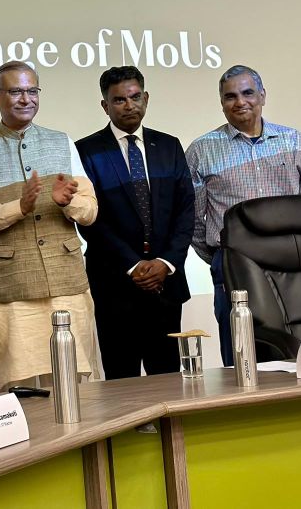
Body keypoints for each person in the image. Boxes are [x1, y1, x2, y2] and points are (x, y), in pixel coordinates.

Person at [0, 61, 101, 391]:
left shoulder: (61, 142)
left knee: (73, 388)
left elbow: (90, 211)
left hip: (65, 285)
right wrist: (18, 208)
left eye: (32, 91)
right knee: (20, 395)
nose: (26, 99)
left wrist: (67, 203)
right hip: (9, 293)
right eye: (16, 91)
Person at [186, 64, 301, 365]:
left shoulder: (294, 142)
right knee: (240, 354)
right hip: (233, 263)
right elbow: (193, 221)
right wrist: (221, 256)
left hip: (290, 263)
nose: (240, 102)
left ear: (262, 96)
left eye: (247, 93)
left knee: (297, 349)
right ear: (221, 102)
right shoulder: (201, 151)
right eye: (230, 96)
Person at [76, 66, 194, 379]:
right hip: (114, 284)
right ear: (105, 105)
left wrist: (165, 263)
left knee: (168, 379)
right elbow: (89, 220)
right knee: (120, 381)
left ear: (146, 98)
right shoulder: (86, 151)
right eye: (119, 100)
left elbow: (186, 211)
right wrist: (134, 265)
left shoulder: (169, 146)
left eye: (135, 97)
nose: (129, 105)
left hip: (165, 283)